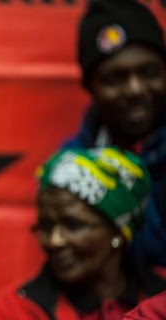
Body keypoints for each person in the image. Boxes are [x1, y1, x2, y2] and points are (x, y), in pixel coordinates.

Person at [0, 147, 166, 320]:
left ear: (118, 231)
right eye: (45, 226)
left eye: (73, 225)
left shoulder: (160, 299)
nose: (54, 240)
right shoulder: (17, 314)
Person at [64, 0, 166, 265]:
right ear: (90, 86)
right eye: (115, 78)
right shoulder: (71, 170)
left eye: (149, 72)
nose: (135, 89)